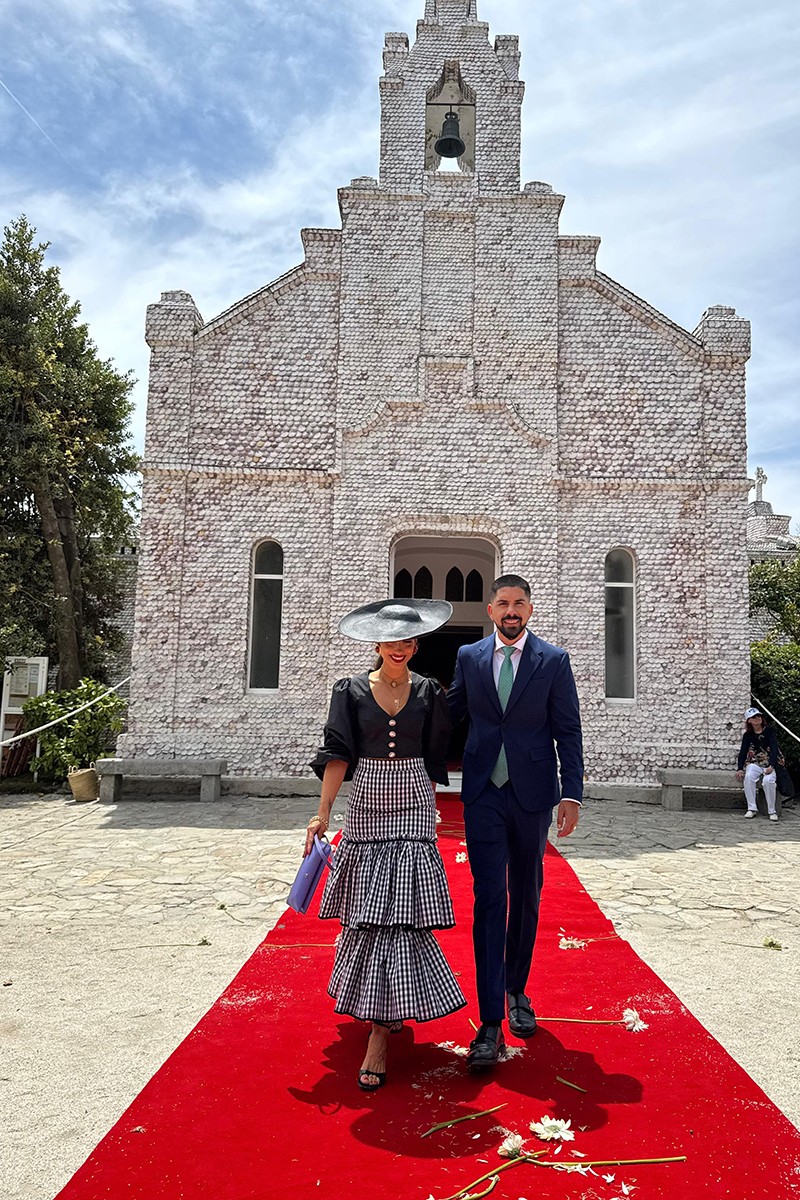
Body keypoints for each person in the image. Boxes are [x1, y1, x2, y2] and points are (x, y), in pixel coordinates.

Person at [306, 599, 466, 1091]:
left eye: (408, 640)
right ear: (376, 642)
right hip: (369, 800)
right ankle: (383, 1007)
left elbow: (444, 749)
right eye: (391, 639)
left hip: (414, 799)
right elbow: (337, 753)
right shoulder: (349, 690)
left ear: (416, 645)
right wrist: (323, 814)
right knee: (370, 915)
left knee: (402, 914)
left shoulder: (430, 692)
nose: (400, 647)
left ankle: (379, 1032)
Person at [447, 574, 584, 1071]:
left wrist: (571, 792)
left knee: (526, 894)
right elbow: (449, 714)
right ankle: (488, 1023)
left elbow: (568, 729)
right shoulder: (469, 657)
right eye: (503, 603)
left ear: (529, 609)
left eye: (519, 603)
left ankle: (516, 991)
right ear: (490, 610)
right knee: (489, 899)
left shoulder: (554, 660)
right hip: (483, 792)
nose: (511, 610)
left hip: (532, 795)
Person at [736, 706, 780, 821]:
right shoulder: (747, 735)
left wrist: (772, 765)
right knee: (749, 777)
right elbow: (743, 752)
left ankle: (772, 811)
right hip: (754, 763)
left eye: (758, 716)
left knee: (768, 781)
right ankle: (751, 808)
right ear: (749, 721)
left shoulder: (769, 731)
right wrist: (740, 768)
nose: (757, 718)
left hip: (768, 763)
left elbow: (774, 749)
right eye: (754, 717)